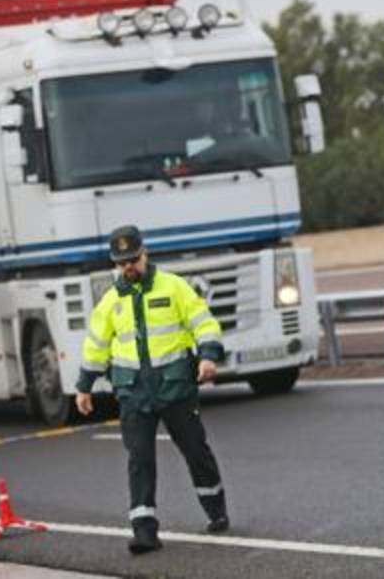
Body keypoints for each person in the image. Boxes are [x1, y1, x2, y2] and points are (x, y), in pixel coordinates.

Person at [74, 225, 230, 555]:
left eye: (133, 259)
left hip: (175, 388)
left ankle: (216, 510)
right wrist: (84, 387)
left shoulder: (174, 287)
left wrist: (208, 356)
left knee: (196, 452)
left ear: (145, 254)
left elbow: (203, 322)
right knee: (139, 460)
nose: (129, 266)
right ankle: (144, 531)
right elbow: (96, 347)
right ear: (114, 264)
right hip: (133, 394)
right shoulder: (110, 302)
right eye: (122, 262)